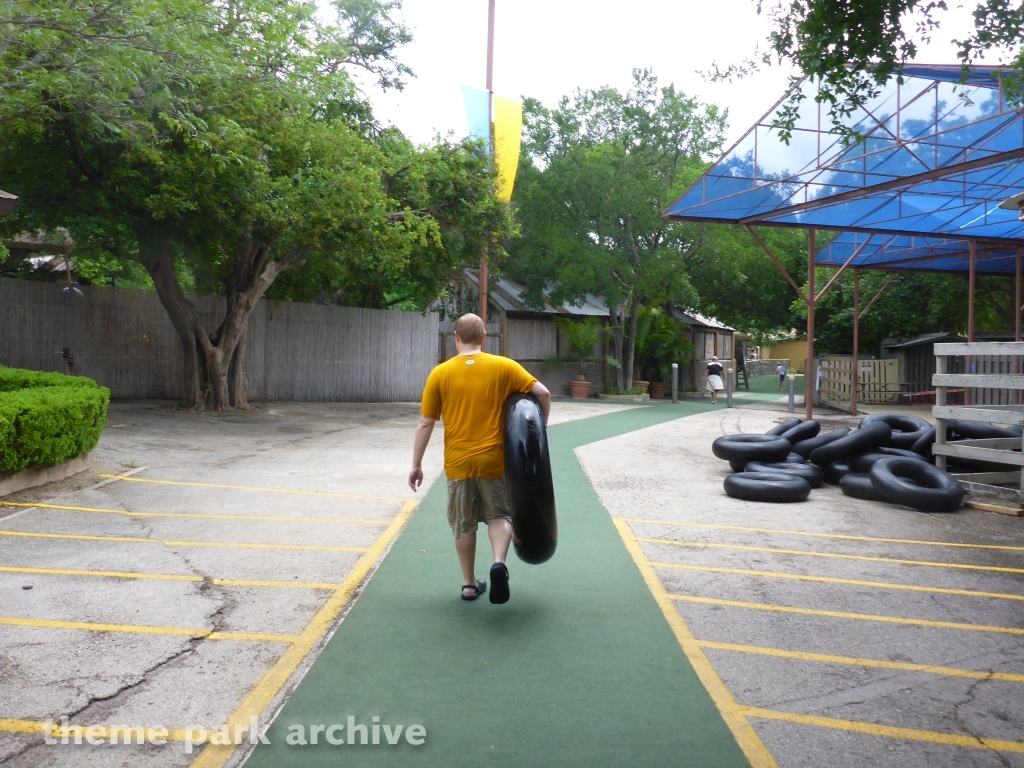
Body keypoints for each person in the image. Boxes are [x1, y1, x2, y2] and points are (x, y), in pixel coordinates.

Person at [409, 313, 551, 604]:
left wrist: (416, 464)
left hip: (459, 463)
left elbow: (426, 422)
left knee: (463, 524)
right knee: (499, 515)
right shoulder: (505, 367)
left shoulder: (440, 373)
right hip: (494, 461)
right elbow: (544, 394)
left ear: (455, 337)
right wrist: (539, 435)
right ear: (484, 337)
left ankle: (469, 584)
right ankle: (499, 562)